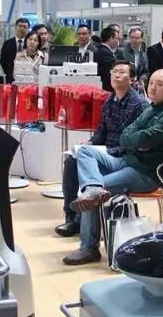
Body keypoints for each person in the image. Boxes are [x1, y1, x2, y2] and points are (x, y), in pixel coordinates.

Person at [63, 69, 163, 265]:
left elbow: (138, 137)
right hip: (128, 160)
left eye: (160, 84)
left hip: (145, 174)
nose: (153, 87)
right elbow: (126, 135)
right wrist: (135, 141)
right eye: (151, 83)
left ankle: (88, 248)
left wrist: (135, 140)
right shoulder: (151, 108)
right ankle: (93, 188)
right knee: (85, 152)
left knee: (94, 192)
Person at [56, 60, 148, 237]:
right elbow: (100, 133)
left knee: (90, 171)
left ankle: (81, 221)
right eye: (114, 71)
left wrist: (103, 151)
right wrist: (90, 143)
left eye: (122, 72)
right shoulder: (109, 102)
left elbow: (134, 142)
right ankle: (71, 216)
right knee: (71, 161)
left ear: (132, 79)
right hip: (106, 150)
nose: (116, 75)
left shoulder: (139, 105)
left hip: (122, 155)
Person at [0, 17, 29, 83]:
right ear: (15, 27)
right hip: (10, 78)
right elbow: (3, 62)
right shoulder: (7, 43)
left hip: (27, 78)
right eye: (20, 26)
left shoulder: (30, 44)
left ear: (28, 29)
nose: (22, 28)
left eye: (24, 27)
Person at [93, 27, 119, 92]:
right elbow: (112, 72)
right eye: (117, 38)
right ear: (111, 38)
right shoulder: (106, 53)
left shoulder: (98, 49)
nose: (118, 41)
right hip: (106, 89)